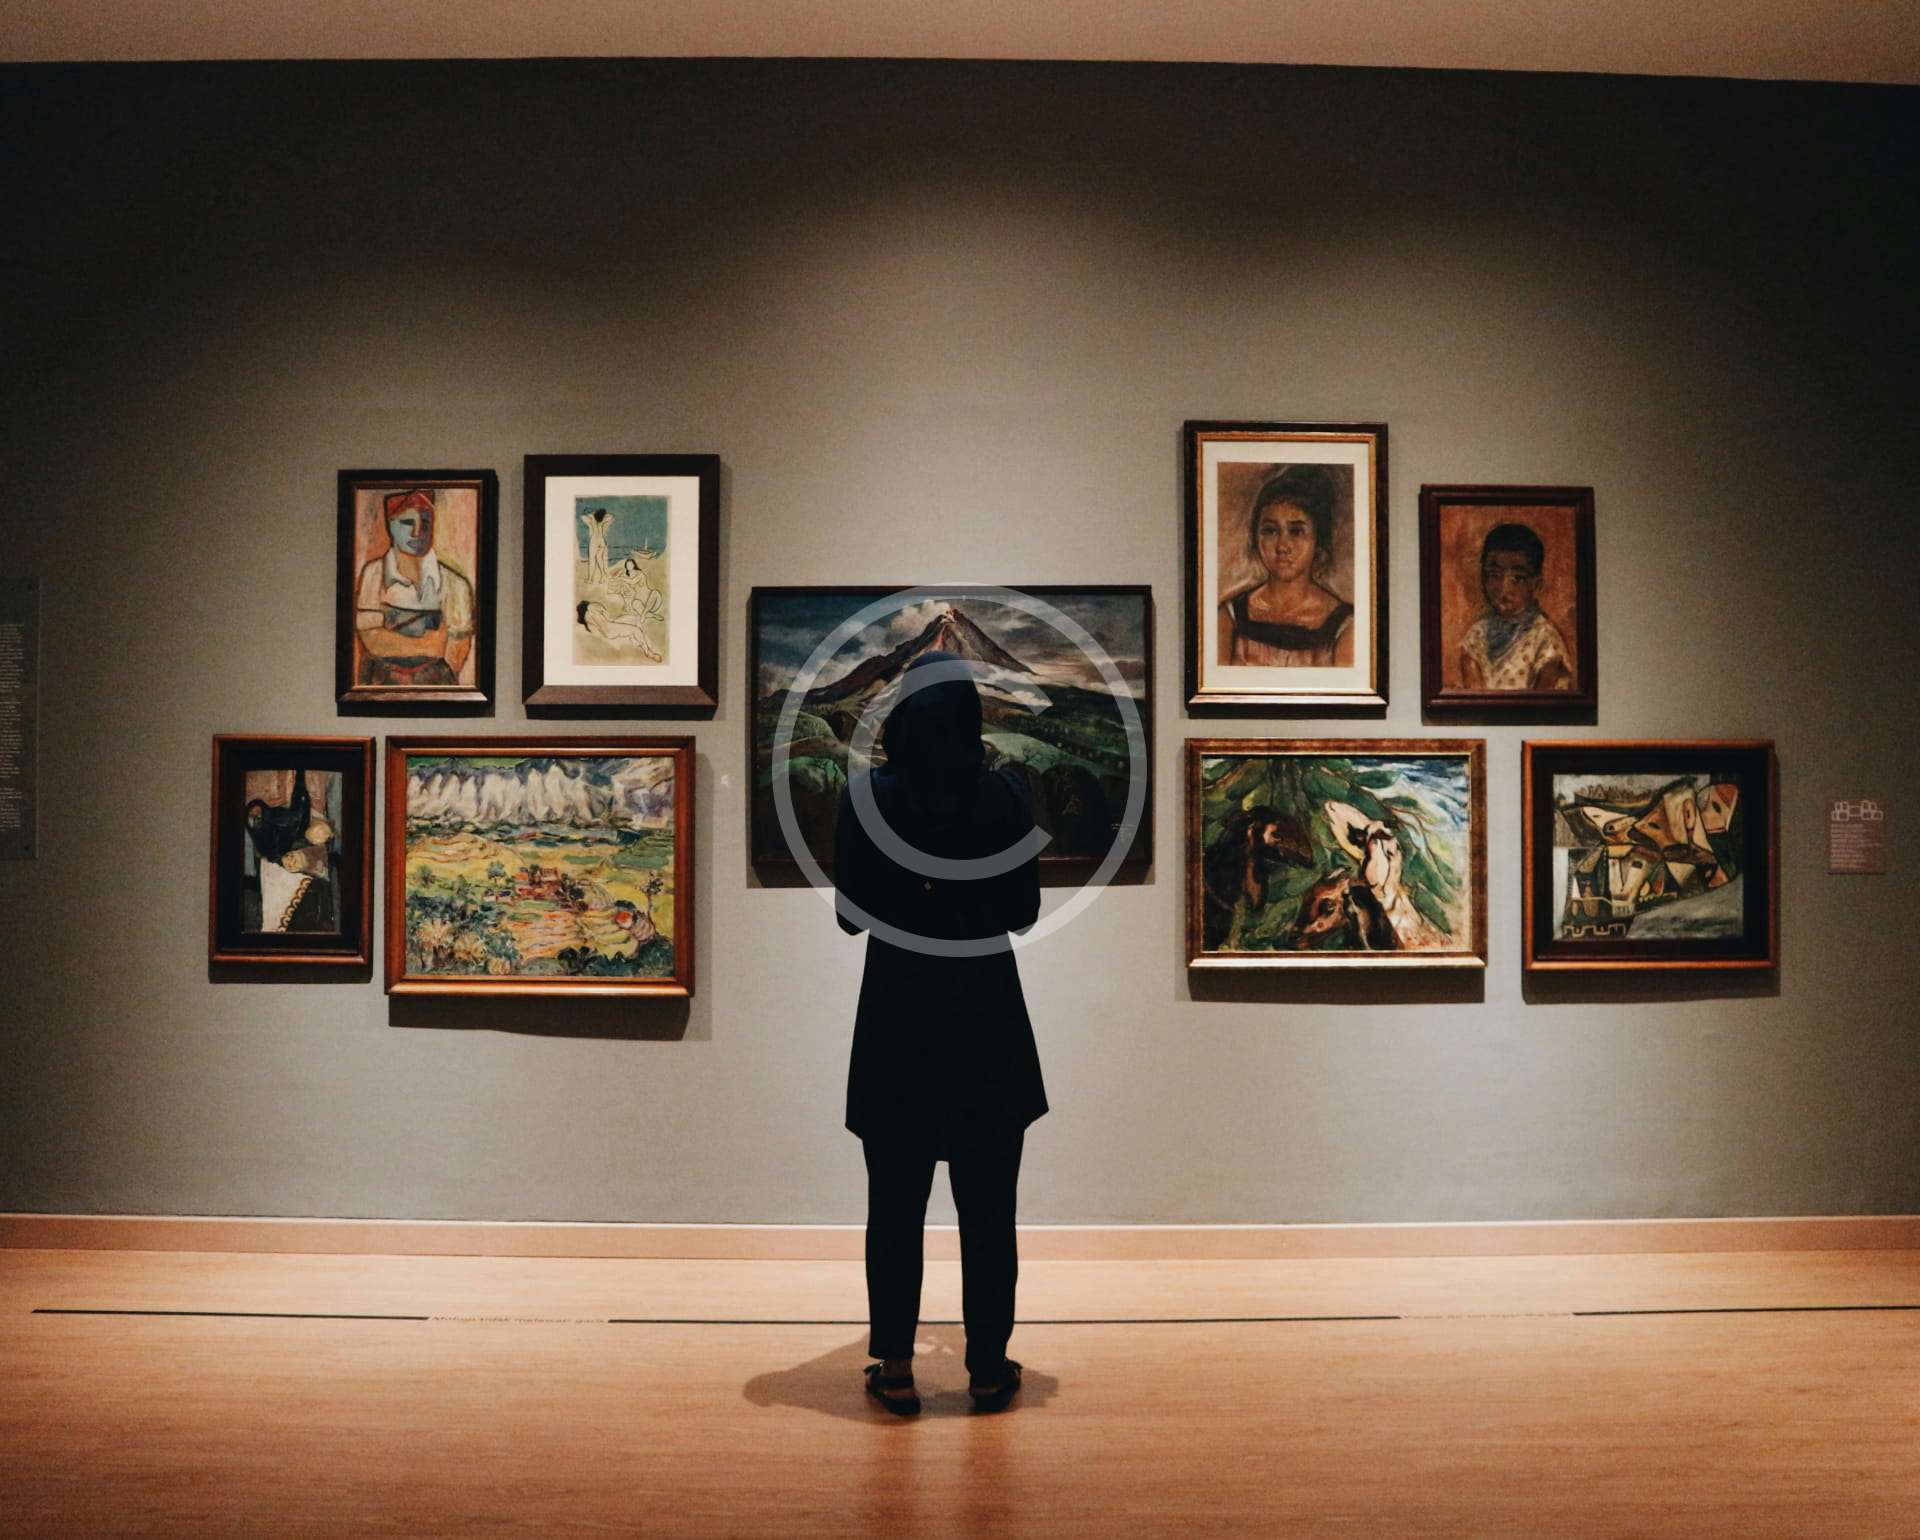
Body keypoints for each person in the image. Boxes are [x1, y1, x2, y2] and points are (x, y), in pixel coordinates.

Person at [832, 650, 1046, 1416]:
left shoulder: (867, 796)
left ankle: (895, 1367)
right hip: (987, 1020)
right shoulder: (1007, 795)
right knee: (990, 1214)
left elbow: (850, 917)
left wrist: (909, 893)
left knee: (894, 1209)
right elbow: (1023, 912)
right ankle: (986, 1367)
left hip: (898, 1020)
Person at [1217, 464, 1354, 666]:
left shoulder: (1344, 625)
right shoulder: (1230, 617)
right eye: (1270, 531)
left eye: (1296, 532)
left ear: (1318, 542)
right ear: (1256, 537)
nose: (1282, 546)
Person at [353, 489, 474, 687]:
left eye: (425, 523)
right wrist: (432, 642)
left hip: (436, 686)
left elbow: (456, 651)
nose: (417, 532)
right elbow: (371, 642)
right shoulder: (374, 574)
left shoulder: (455, 584)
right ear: (391, 525)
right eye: (407, 522)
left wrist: (389, 627)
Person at [1457, 522, 1572, 691]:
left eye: (1517, 578)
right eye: (1494, 575)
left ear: (1536, 586)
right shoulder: (1476, 636)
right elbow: (1474, 698)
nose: (1504, 589)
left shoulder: (1545, 639)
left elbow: (1543, 703)